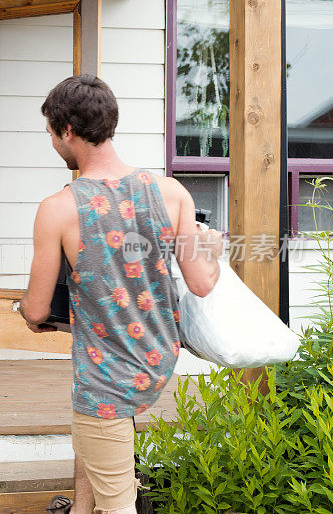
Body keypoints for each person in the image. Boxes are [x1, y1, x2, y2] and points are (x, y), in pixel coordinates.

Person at [18, 75, 224, 514]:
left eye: (51, 133)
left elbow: (35, 308)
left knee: (118, 504)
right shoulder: (170, 192)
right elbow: (203, 282)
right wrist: (214, 250)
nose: (52, 142)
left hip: (105, 376)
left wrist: (26, 308)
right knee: (93, 448)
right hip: (154, 357)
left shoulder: (57, 209)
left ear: (67, 131)